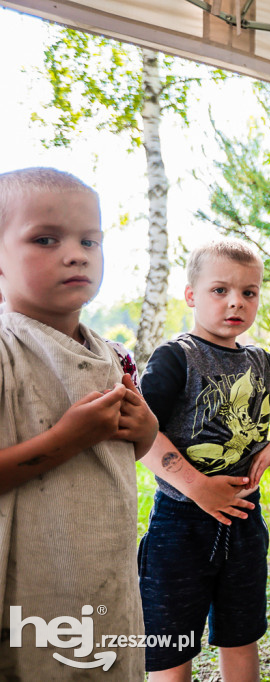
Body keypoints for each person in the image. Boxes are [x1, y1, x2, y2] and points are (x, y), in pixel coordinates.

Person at [0, 167, 157, 679]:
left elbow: (125, 453)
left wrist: (145, 428)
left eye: (90, 240)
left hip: (104, 575)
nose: (76, 253)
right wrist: (67, 439)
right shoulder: (7, 350)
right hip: (30, 585)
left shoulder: (112, 356)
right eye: (45, 239)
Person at [138, 238, 270, 681]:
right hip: (180, 525)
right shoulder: (176, 357)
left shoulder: (260, 361)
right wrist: (199, 488)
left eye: (249, 292)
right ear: (191, 296)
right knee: (170, 644)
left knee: (241, 635)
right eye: (220, 290)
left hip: (244, 521)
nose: (235, 302)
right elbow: (141, 433)